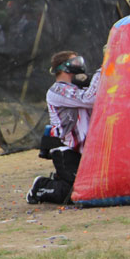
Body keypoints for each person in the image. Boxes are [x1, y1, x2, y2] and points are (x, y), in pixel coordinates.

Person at [27, 50, 102, 205]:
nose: (79, 65)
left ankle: (61, 177)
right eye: (75, 61)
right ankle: (40, 186)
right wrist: (103, 70)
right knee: (73, 193)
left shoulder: (79, 88)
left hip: (86, 150)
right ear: (62, 67)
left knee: (96, 188)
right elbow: (90, 99)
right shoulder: (57, 90)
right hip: (66, 150)